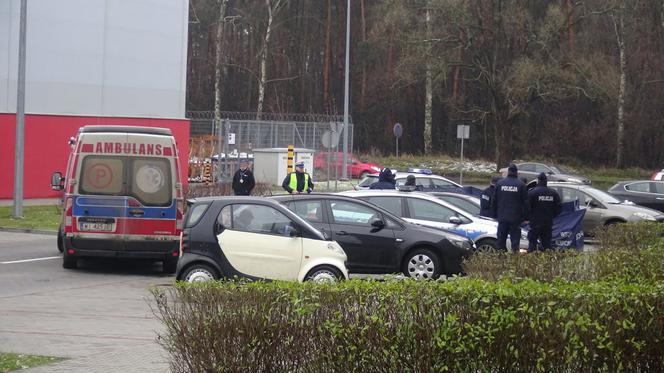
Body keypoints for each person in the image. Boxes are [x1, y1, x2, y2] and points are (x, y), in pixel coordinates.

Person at [491, 164, 529, 253]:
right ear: (517, 173)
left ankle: (501, 258)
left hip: (502, 217)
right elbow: (526, 203)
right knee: (515, 243)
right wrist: (526, 217)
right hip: (516, 218)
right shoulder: (521, 185)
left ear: (508, 172)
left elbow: (494, 201)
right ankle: (514, 260)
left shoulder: (500, 183)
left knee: (500, 241)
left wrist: (494, 215)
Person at [527, 172, 562, 252]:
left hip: (535, 223)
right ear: (546, 181)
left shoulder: (532, 193)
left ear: (538, 181)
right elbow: (559, 208)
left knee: (532, 244)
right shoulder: (553, 193)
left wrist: (530, 217)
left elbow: (527, 208)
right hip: (547, 223)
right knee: (547, 244)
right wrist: (551, 216)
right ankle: (547, 261)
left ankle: (530, 261)